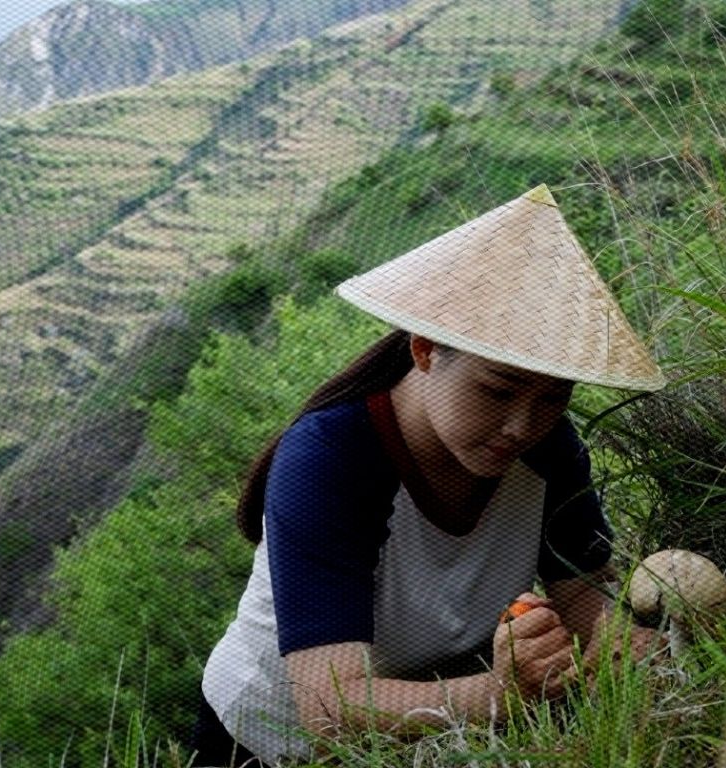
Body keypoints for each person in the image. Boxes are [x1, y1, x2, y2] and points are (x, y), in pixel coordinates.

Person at [192, 185, 667, 765]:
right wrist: (497, 694)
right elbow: (328, 706)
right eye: (496, 390)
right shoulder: (331, 460)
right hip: (266, 742)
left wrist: (619, 642)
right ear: (424, 350)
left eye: (553, 399)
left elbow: (583, 594)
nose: (521, 425)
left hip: (434, 732)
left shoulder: (550, 452)